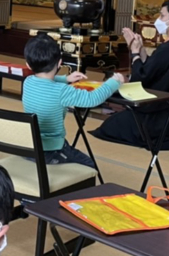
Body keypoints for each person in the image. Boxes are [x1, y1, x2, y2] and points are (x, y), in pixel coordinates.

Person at [91, 0, 169, 148]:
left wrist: (134, 53)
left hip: (159, 117)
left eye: (162, 16)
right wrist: (141, 50)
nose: (158, 20)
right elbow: (154, 69)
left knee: (111, 125)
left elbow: (142, 77)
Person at [22, 33, 125, 167]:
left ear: (28, 65)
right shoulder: (62, 91)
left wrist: (66, 79)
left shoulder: (28, 82)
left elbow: (45, 82)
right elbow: (92, 99)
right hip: (51, 150)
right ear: (59, 62)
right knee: (89, 165)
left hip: (28, 146)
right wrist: (113, 82)